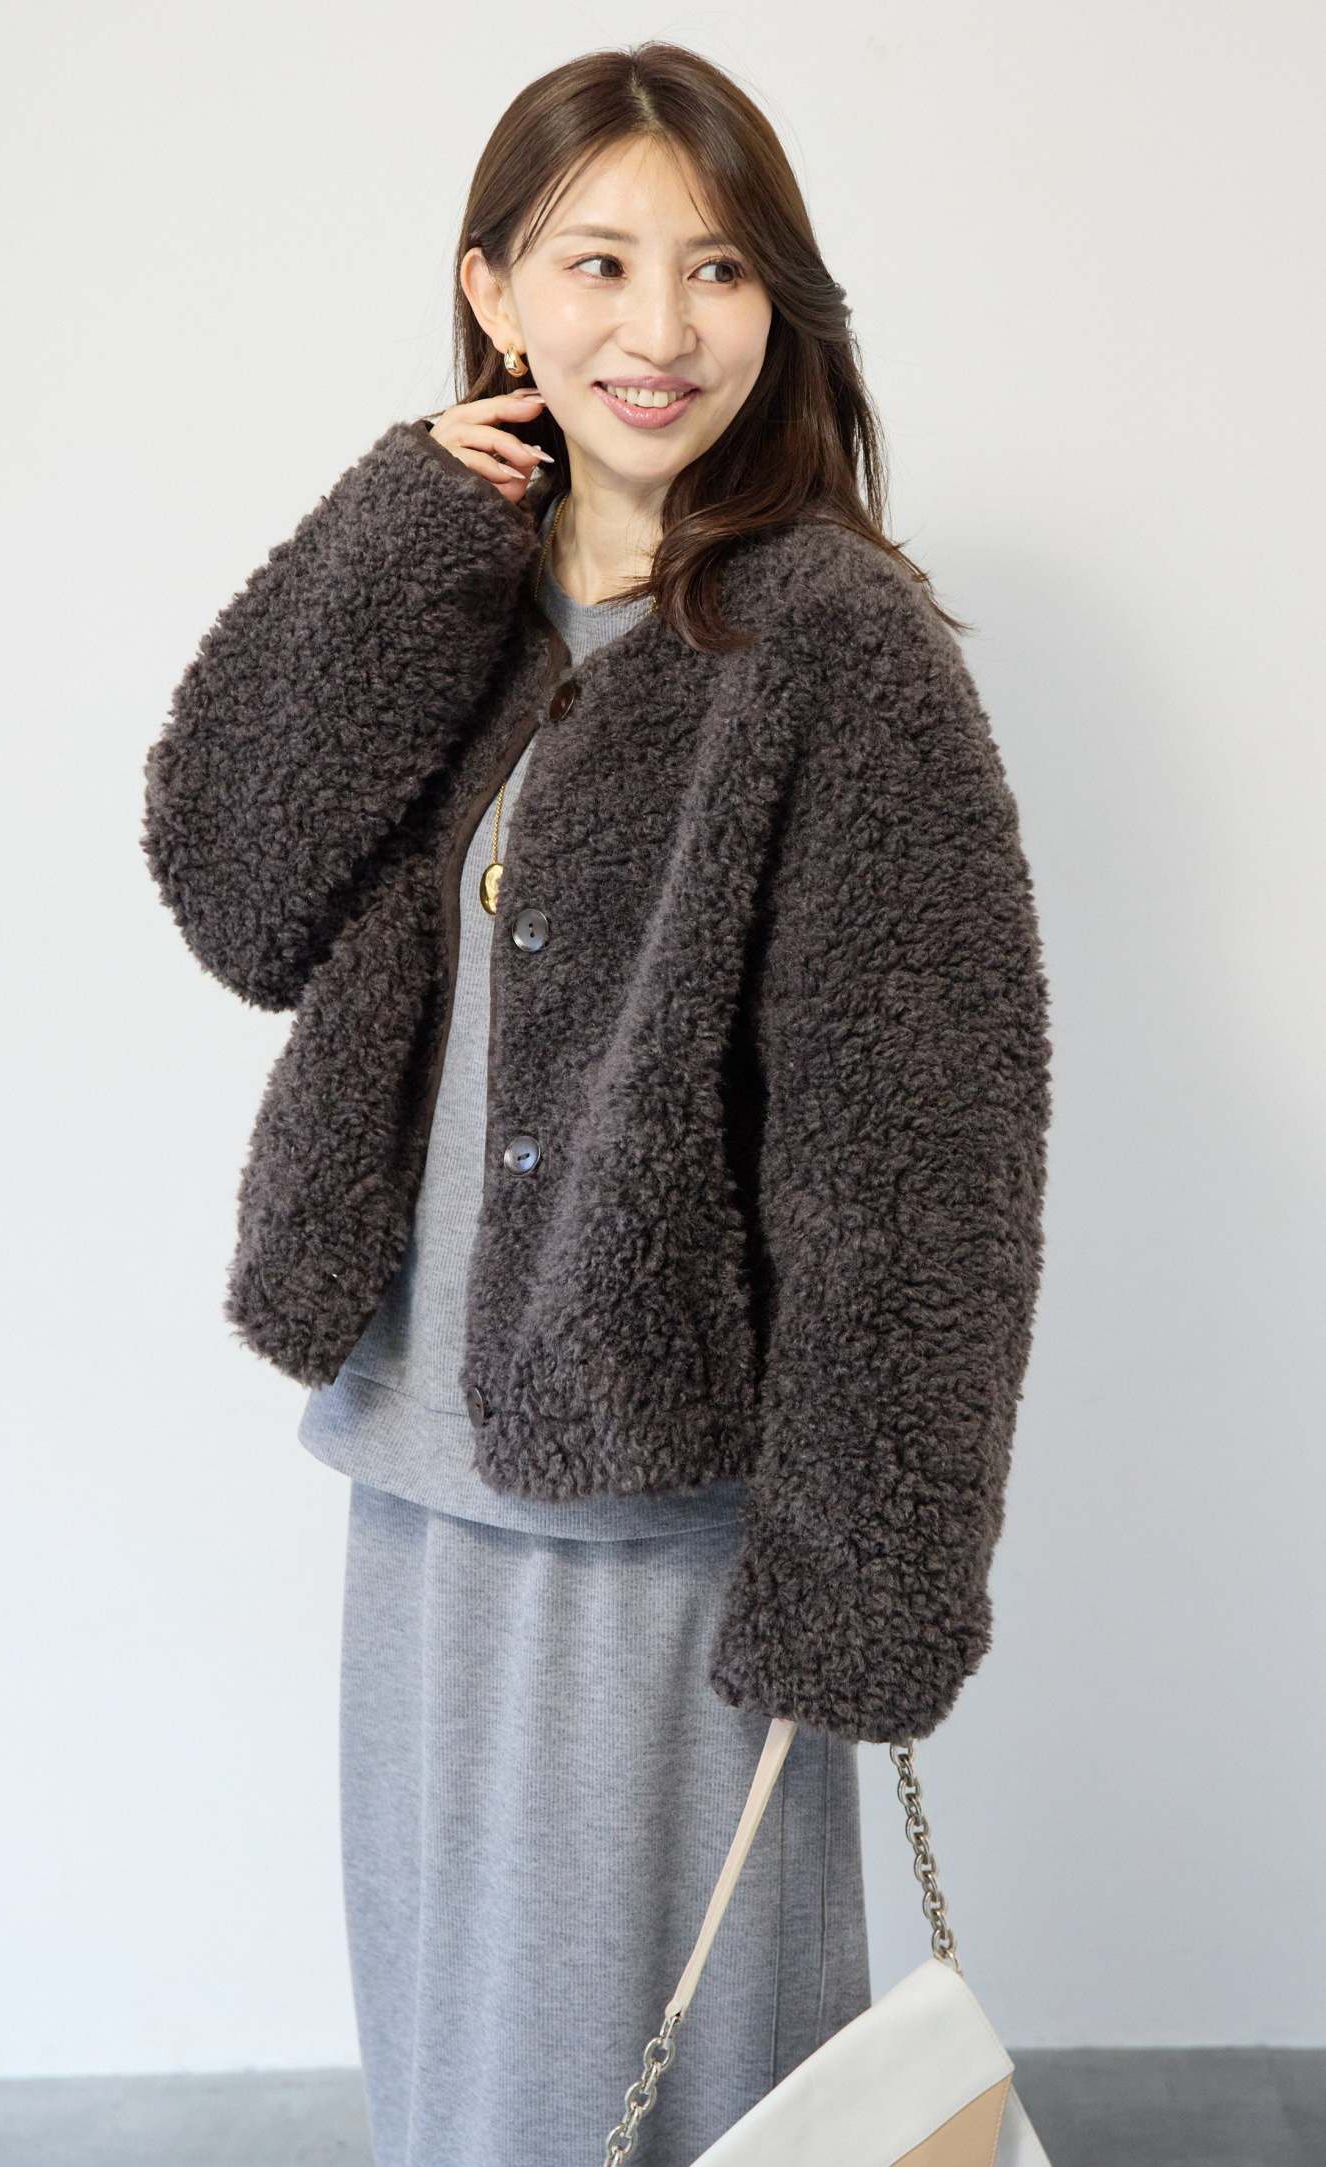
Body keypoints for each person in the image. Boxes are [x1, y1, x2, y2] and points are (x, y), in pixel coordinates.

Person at [140, 41, 1052, 2167]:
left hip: (661, 1525)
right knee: (464, 2093)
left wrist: (865, 1580)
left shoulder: (836, 647)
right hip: (418, 1478)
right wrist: (399, 524)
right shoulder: (451, 596)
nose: (661, 328)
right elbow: (234, 884)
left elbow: (924, 1164)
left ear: (778, 306)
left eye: (719, 268)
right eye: (599, 262)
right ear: (495, 291)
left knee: (657, 2103)